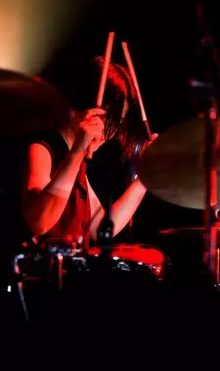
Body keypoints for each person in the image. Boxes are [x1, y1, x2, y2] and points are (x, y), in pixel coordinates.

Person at [21, 56, 157, 249]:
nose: (109, 133)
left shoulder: (78, 164)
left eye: (117, 123)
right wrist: (77, 153)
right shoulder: (43, 148)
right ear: (72, 108)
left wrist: (144, 178)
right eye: (105, 118)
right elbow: (39, 223)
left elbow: (100, 227)